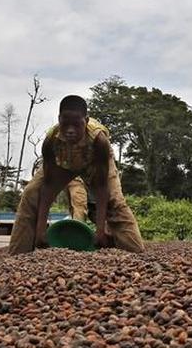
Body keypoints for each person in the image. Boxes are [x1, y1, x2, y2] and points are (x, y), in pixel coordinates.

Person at [8, 95, 144, 254]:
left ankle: (134, 252)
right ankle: (18, 253)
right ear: (59, 119)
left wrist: (100, 230)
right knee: (31, 193)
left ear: (86, 121)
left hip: (93, 161)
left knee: (115, 201)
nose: (70, 130)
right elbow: (48, 186)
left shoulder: (99, 141)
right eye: (65, 124)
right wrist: (40, 229)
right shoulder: (51, 141)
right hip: (64, 162)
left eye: (76, 125)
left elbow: (101, 187)